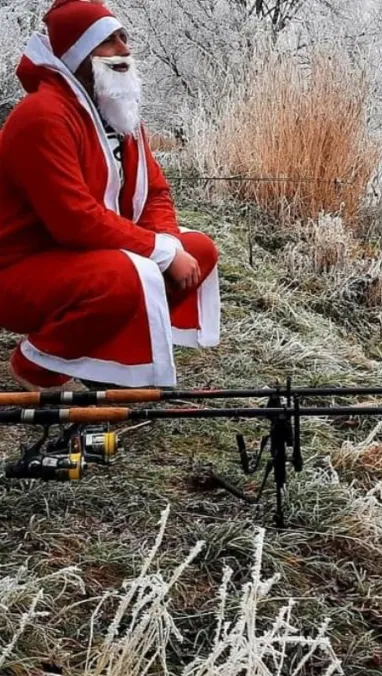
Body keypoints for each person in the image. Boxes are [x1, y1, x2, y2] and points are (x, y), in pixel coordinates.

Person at [0, 0, 221, 390]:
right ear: (79, 54)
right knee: (122, 276)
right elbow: (75, 220)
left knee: (198, 249)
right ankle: (38, 365)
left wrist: (168, 243)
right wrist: (163, 254)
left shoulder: (119, 112)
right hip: (20, 271)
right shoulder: (42, 116)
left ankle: (104, 362)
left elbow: (155, 192)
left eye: (124, 37)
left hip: (78, 258)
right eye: (108, 41)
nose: (124, 49)